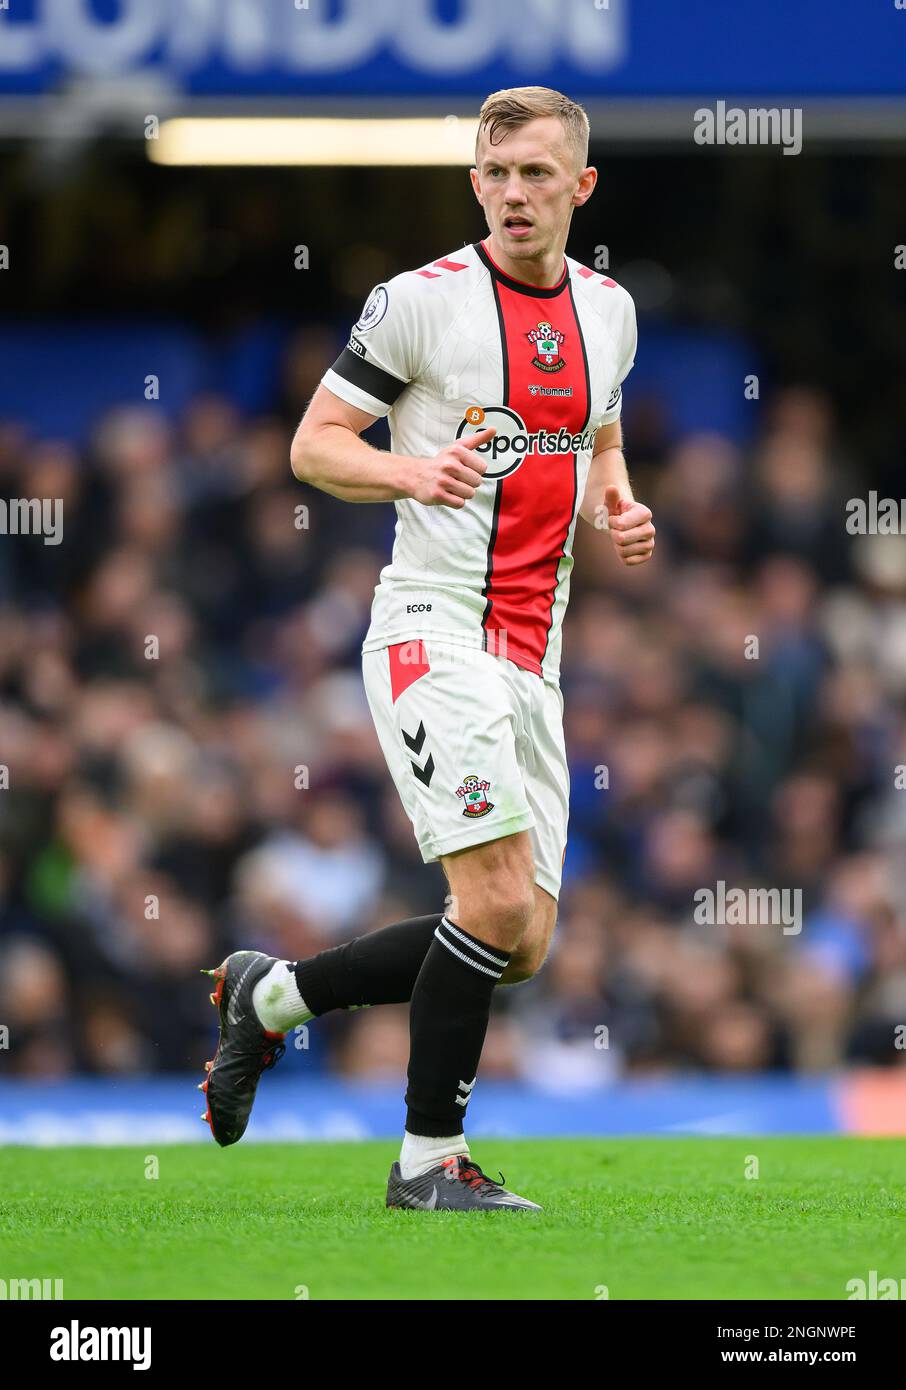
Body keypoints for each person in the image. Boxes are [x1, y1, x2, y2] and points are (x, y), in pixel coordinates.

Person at [200, 85, 656, 1211]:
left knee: (524, 940)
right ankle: (427, 1164)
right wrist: (413, 469)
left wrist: (619, 500)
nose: (513, 193)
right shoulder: (418, 304)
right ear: (474, 185)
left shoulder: (611, 312)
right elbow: (314, 445)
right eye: (495, 175)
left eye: (537, 174)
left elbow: (598, 426)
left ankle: (271, 1000)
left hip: (531, 652)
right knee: (493, 905)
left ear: (580, 187)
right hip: (432, 626)